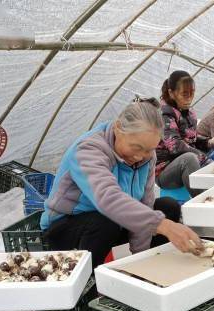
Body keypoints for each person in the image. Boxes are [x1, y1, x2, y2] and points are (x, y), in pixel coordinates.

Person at [40, 98, 202, 268]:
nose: (141, 156)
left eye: (149, 149)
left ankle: (154, 266)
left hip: (113, 221)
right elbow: (108, 198)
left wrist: (142, 259)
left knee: (166, 207)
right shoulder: (89, 150)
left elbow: (145, 204)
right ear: (118, 128)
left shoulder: (147, 157)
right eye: (137, 147)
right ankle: (90, 283)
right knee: (105, 223)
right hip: (67, 228)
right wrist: (162, 225)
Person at [156, 70, 209, 197]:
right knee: (190, 159)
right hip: (165, 171)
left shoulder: (188, 111)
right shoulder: (164, 113)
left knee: (212, 151)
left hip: (182, 163)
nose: (189, 98)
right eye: (184, 94)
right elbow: (175, 145)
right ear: (171, 93)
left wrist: (209, 141)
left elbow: (191, 138)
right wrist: (203, 157)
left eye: (192, 94)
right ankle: (205, 201)